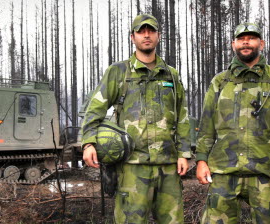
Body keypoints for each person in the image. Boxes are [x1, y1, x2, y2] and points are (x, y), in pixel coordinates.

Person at [81, 14, 191, 223]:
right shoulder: (119, 72)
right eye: (141, 31)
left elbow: (182, 116)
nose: (146, 35)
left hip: (168, 167)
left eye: (151, 31)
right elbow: (95, 109)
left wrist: (184, 152)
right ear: (133, 37)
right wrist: (88, 143)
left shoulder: (171, 75)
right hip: (132, 166)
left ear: (159, 36)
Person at [196, 22, 270, 224]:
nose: (245, 42)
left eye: (251, 38)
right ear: (233, 44)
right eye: (241, 39)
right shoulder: (220, 81)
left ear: (261, 44)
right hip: (223, 170)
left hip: (266, 171)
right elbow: (206, 125)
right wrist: (202, 159)